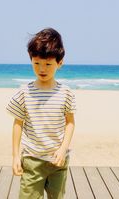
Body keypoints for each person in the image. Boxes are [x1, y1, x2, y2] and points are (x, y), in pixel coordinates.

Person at [6, 28, 76, 199]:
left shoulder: (66, 93)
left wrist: (63, 149)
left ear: (59, 63)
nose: (42, 69)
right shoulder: (24, 92)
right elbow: (18, 124)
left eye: (48, 64)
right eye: (37, 63)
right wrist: (15, 156)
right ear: (31, 60)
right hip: (32, 159)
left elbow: (70, 123)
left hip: (57, 160)